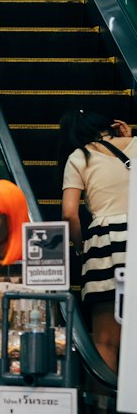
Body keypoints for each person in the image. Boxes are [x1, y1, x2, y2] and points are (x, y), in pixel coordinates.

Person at [60, 109, 136, 372]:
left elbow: (70, 213)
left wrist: (83, 247)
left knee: (106, 340)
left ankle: (103, 412)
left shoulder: (79, 156)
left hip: (105, 243)